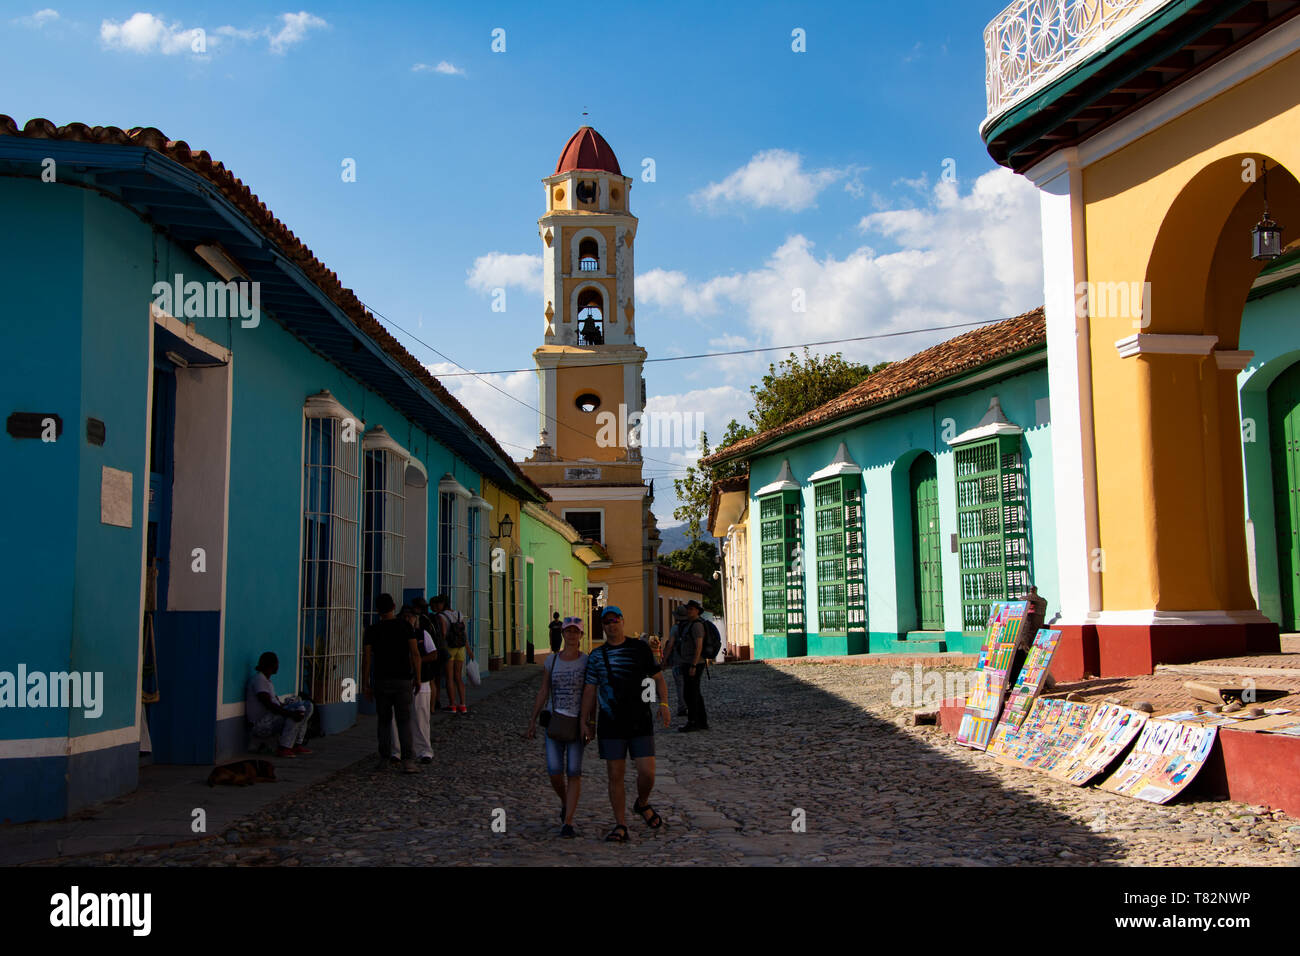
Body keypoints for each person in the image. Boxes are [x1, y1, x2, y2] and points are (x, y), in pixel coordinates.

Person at [580, 605, 670, 843]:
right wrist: (586, 721)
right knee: (615, 775)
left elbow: (658, 677)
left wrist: (664, 704)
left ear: (622, 620)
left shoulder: (639, 648)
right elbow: (590, 690)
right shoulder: (597, 656)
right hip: (610, 723)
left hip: (640, 720)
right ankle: (620, 824)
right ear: (603, 626)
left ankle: (642, 803)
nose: (612, 624)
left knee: (647, 773)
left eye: (615, 620)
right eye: (607, 621)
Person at [526, 616, 589, 838]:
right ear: (562, 634)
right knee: (554, 772)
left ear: (581, 635)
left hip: (575, 723)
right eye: (568, 631)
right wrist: (533, 718)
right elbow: (544, 690)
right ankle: (565, 801)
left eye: (576, 631)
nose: (572, 635)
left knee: (573, 771)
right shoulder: (551, 661)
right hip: (554, 720)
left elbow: (591, 693)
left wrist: (589, 722)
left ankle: (568, 821)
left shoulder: (586, 661)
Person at [362, 593, 421, 773]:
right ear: (394, 606)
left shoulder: (372, 630)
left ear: (377, 610)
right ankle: (408, 760)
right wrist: (418, 677)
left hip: (382, 680)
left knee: (384, 721)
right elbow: (415, 653)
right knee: (404, 720)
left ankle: (384, 758)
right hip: (403, 679)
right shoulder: (405, 626)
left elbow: (367, 659)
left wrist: (366, 683)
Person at [245, 652, 314, 758]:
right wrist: (290, 713)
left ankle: (297, 743)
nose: (278, 666)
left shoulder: (267, 681)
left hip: (271, 718)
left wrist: (287, 707)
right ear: (271, 665)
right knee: (296, 711)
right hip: (261, 724)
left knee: (307, 706)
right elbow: (269, 705)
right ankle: (284, 747)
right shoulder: (259, 680)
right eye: (277, 663)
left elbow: (276, 703)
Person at [399, 604, 437, 764]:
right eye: (405, 617)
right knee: (399, 718)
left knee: (421, 717)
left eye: (411, 617)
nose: (408, 619)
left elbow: (434, 654)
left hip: (422, 681)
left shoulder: (423, 634)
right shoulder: (398, 635)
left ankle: (424, 750)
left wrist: (419, 661)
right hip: (402, 679)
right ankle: (398, 751)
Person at [432, 594, 472, 715]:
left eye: (436, 605)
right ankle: (463, 704)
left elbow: (443, 633)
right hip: (460, 648)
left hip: (449, 648)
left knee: (449, 677)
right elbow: (464, 633)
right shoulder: (459, 614)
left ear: (442, 604)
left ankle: (452, 704)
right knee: (458, 677)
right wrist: (468, 649)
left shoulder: (441, 616)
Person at [678, 600, 711, 732]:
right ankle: (701, 721)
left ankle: (693, 721)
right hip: (689, 662)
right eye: (688, 609)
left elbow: (699, 646)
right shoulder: (690, 624)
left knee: (690, 693)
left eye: (691, 609)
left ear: (697, 611)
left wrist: (693, 665)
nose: (689, 611)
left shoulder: (697, 626)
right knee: (695, 693)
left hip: (694, 663)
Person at [412, 596, 447, 712]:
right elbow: (443, 632)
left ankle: (430, 707)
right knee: (435, 680)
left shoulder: (422, 620)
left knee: (430, 680)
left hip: (429, 651)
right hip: (440, 649)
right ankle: (434, 704)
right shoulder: (434, 617)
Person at [660, 606, 690, 718]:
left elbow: (670, 645)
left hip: (678, 661)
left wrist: (664, 661)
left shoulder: (675, 628)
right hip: (690, 661)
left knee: (680, 685)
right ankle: (691, 706)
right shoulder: (690, 627)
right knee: (690, 684)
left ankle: (682, 707)